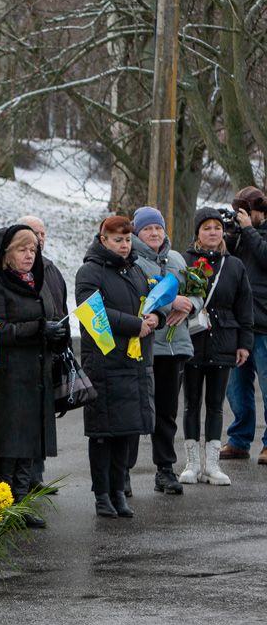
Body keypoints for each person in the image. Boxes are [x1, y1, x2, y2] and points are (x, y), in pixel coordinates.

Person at [0, 224, 65, 528]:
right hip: (8, 378)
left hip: (36, 374)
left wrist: (57, 333)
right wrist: (37, 329)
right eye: (22, 249)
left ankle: (21, 503)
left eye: (33, 249)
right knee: (10, 446)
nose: (29, 255)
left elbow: (50, 316)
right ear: (6, 255)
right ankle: (4, 506)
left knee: (30, 444)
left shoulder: (36, 282)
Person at [75, 216, 160, 519]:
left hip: (133, 361)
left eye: (127, 240)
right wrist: (136, 325)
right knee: (103, 434)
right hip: (104, 363)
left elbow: (151, 301)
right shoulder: (89, 271)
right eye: (117, 240)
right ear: (103, 240)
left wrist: (156, 318)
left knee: (126, 431)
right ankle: (102, 495)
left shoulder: (135, 269)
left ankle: (118, 492)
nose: (124, 246)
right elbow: (92, 311)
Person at [181, 208, 253, 486]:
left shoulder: (233, 265)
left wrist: (244, 343)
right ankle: (192, 463)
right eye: (207, 227)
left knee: (216, 405)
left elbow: (244, 308)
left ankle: (212, 464)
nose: (213, 232)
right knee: (191, 403)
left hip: (224, 340)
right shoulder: (185, 261)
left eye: (217, 228)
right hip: (192, 340)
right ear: (197, 232)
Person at [131, 206, 193, 496]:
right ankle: (122, 474)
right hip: (145, 346)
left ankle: (165, 469)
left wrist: (192, 304)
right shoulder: (133, 260)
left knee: (167, 411)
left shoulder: (178, 259)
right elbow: (136, 298)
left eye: (158, 227)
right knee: (138, 410)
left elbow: (196, 292)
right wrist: (171, 304)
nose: (154, 233)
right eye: (147, 229)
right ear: (137, 232)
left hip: (176, 346)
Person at [17, 215, 67, 492]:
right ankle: (23, 481)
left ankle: (38, 475)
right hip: (25, 359)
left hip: (51, 354)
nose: (39, 238)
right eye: (34, 233)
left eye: (43, 233)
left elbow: (61, 307)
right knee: (27, 424)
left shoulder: (51, 270)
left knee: (44, 420)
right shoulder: (10, 273)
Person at [222, 187, 267, 464]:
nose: (244, 219)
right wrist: (231, 236)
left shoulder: (255, 234)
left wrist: (249, 231)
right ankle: (239, 440)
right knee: (237, 388)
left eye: (248, 214)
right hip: (240, 326)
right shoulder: (241, 236)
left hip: (265, 325)